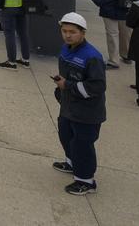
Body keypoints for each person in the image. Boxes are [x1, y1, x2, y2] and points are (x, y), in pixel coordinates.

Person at [51, 12, 106, 196]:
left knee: (82, 145)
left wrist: (67, 85)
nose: (67, 35)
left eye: (72, 32)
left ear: (83, 33)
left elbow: (97, 87)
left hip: (86, 112)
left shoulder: (92, 57)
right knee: (66, 136)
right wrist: (61, 89)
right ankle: (71, 162)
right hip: (68, 107)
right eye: (64, 31)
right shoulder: (66, 49)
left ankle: (85, 180)